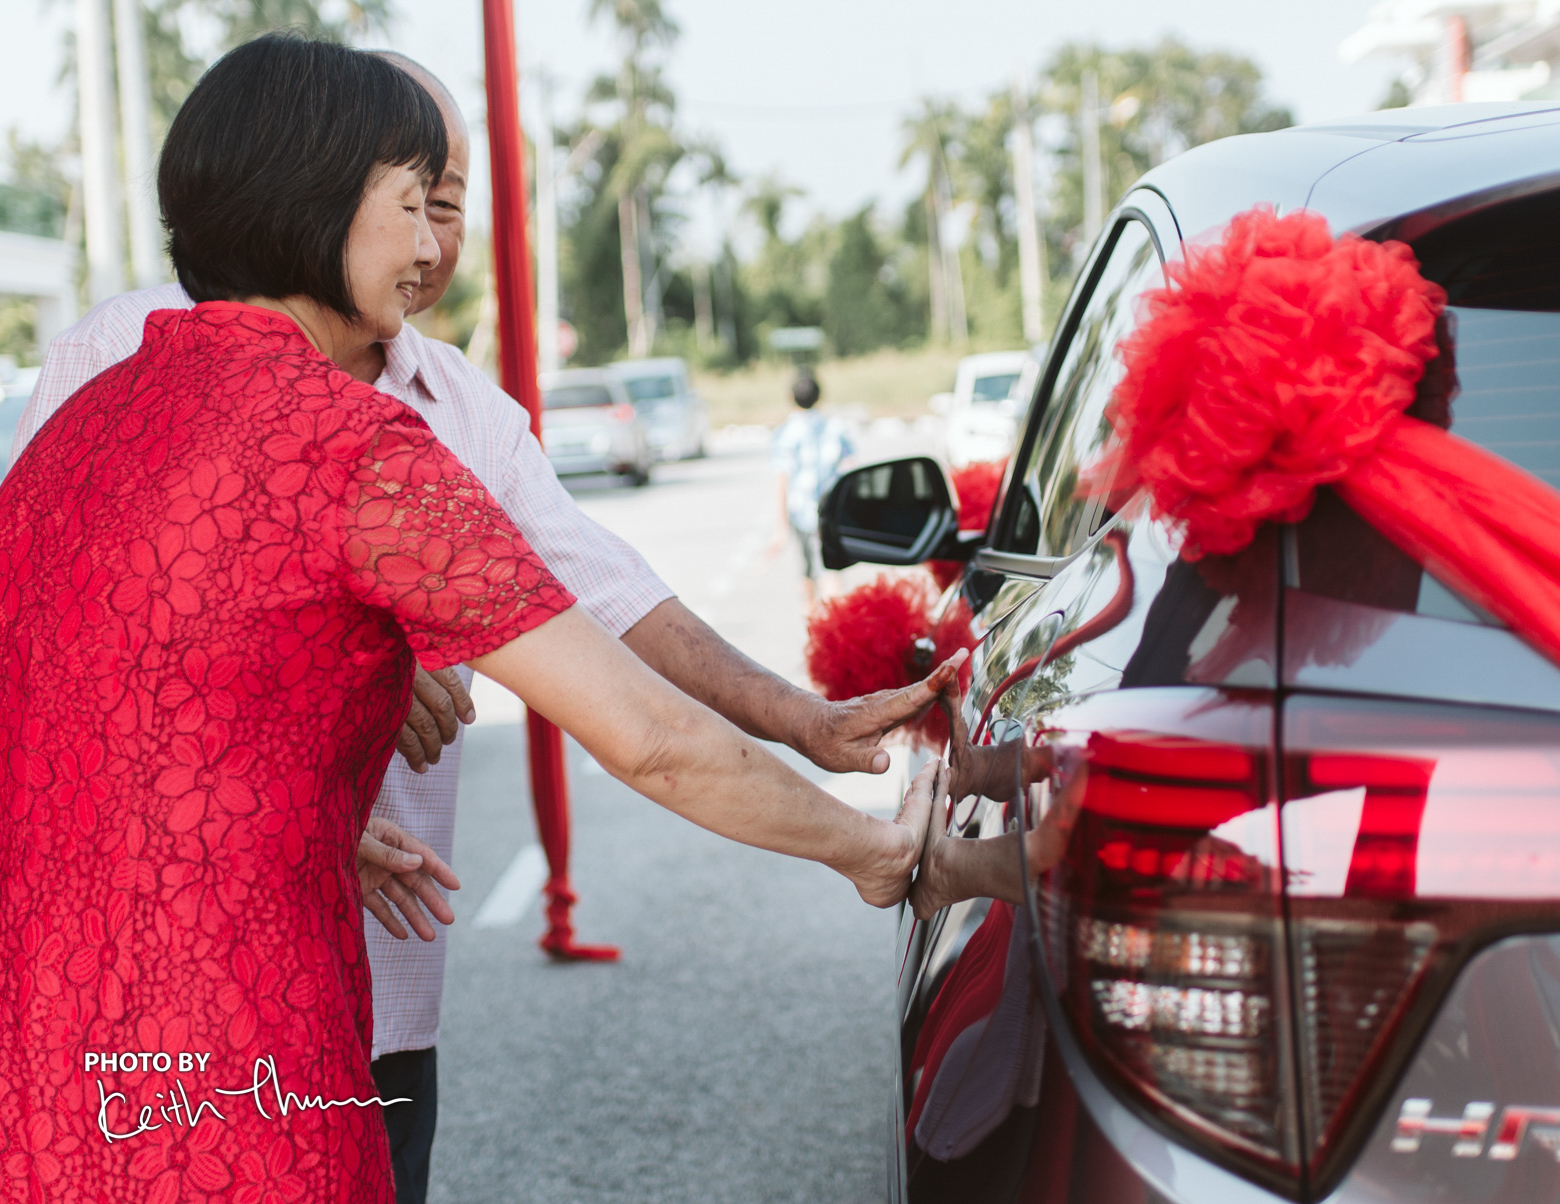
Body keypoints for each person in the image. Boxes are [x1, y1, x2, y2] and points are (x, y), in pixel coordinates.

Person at [0, 35, 946, 1202]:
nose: (433, 247)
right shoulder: (347, 445)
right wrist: (871, 848)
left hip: (51, 1061)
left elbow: (605, 590)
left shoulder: (84, 428)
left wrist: (800, 719)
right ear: (317, 206)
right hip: (242, 1065)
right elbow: (643, 735)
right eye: (412, 202)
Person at [770, 371, 855, 606]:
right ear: (820, 395)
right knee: (830, 571)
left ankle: (812, 619)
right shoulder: (835, 427)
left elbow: (782, 479)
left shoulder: (785, 433)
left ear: (790, 397)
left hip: (802, 514)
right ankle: (833, 621)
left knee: (807, 571)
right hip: (831, 512)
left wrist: (781, 524)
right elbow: (851, 468)